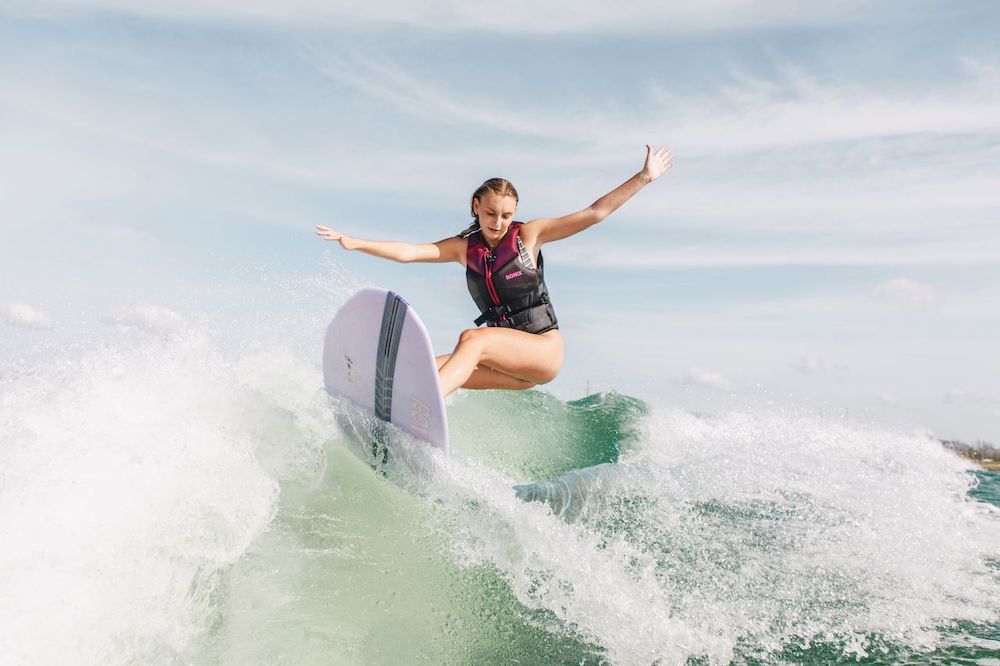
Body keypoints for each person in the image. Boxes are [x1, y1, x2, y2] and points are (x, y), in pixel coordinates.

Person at [316, 145, 673, 397]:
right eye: (490, 213)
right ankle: (379, 404)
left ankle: (430, 400)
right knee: (421, 366)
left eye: (505, 215)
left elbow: (595, 212)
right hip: (509, 368)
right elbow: (410, 252)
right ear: (476, 207)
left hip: (543, 353)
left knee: (473, 339)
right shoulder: (463, 248)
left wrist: (644, 177)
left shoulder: (530, 235)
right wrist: (354, 242)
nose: (498, 222)